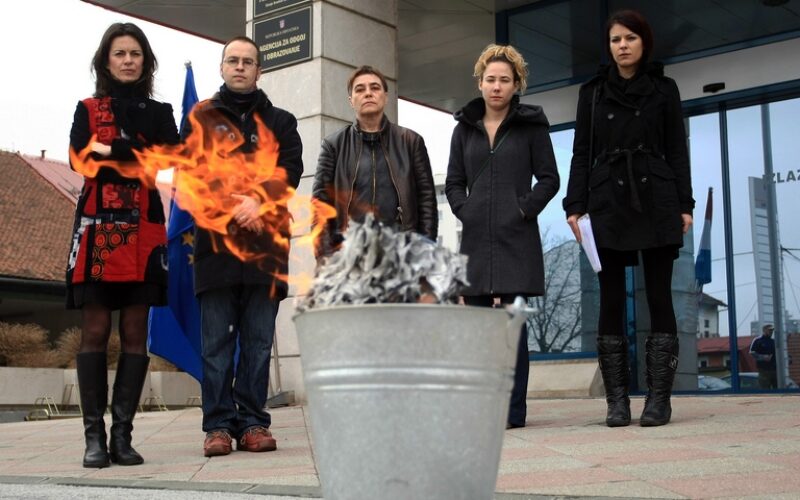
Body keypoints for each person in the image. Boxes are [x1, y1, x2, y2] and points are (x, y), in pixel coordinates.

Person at [563, 10, 694, 427]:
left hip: (656, 196)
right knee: (611, 298)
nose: (622, 45)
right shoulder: (592, 93)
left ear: (644, 42)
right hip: (607, 198)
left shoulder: (664, 88)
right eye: (615, 39)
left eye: (630, 38)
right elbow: (581, 151)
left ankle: (659, 400)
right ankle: (616, 402)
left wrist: (685, 203)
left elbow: (677, 148)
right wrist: (574, 205)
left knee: (658, 295)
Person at [182, 36, 303, 457]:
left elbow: (290, 169)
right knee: (216, 345)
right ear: (221, 67)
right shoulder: (200, 118)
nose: (239, 67)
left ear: (258, 71)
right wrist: (233, 205)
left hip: (265, 249)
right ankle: (217, 425)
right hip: (215, 249)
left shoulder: (282, 121)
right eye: (232, 60)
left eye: (247, 61)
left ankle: (252, 422)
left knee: (257, 342)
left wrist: (259, 201)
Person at [67, 22, 179, 468]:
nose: (128, 60)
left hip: (145, 231)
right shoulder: (87, 108)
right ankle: (93, 438)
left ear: (145, 61)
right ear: (106, 60)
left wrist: (111, 151)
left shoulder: (161, 111)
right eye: (120, 53)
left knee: (135, 332)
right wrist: (135, 156)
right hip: (97, 230)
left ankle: (122, 437)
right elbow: (81, 160)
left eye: (135, 53)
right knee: (95, 330)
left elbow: (169, 158)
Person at [445, 44, 560, 429]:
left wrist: (522, 209)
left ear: (516, 85)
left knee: (514, 330)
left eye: (505, 80)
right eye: (490, 79)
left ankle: (513, 412)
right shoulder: (463, 130)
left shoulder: (531, 127)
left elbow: (549, 179)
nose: (497, 86)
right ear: (480, 83)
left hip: (517, 239)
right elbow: (454, 181)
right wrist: (466, 210)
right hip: (476, 240)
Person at [312, 65, 437, 257]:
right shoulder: (334, 145)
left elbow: (426, 201)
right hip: (349, 256)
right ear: (351, 100)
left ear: (385, 97)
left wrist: (424, 253)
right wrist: (326, 257)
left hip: (400, 255)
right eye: (360, 89)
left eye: (375, 88)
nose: (368, 93)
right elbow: (319, 204)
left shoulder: (410, 142)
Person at [750, 324, 777, 389]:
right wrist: (763, 357)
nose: (771, 332)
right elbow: (752, 353)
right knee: (765, 389)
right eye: (770, 330)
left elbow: (779, 353)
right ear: (764, 330)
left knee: (777, 389)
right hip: (763, 370)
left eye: (772, 330)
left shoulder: (773, 341)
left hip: (775, 370)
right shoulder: (758, 340)